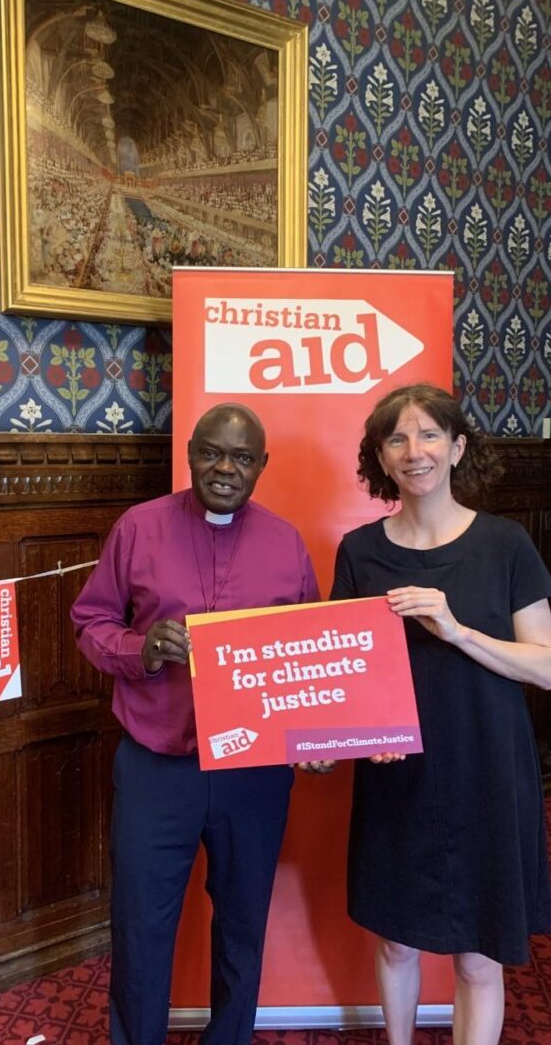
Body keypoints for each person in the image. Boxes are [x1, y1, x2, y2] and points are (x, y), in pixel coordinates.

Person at [71, 403, 318, 1045]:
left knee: (242, 924)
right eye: (212, 452)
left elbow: (308, 654)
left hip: (255, 773)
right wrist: (141, 649)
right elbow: (90, 621)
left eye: (241, 458)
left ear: (262, 466)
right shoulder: (138, 527)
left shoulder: (286, 543)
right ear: (190, 453)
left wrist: (316, 736)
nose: (224, 469)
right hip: (158, 766)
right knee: (141, 925)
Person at [324, 383, 551, 1045]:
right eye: (397, 437)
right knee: (397, 943)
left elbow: (545, 663)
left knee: (479, 956)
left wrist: (457, 629)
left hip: (489, 773)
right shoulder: (359, 550)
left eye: (428, 435)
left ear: (457, 448)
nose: (414, 450)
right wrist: (361, 733)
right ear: (381, 457)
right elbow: (343, 672)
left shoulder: (505, 544)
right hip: (400, 777)